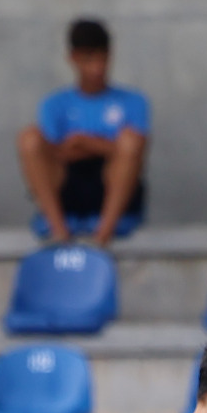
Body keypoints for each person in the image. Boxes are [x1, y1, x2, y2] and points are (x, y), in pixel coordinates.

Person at [17, 17, 149, 246]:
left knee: (130, 142)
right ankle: (59, 232)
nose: (97, 68)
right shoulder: (54, 104)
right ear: (73, 59)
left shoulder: (133, 102)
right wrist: (107, 146)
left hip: (110, 186)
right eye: (89, 60)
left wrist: (83, 142)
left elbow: (135, 153)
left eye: (102, 59)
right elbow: (51, 154)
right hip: (68, 187)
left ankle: (102, 238)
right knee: (29, 139)